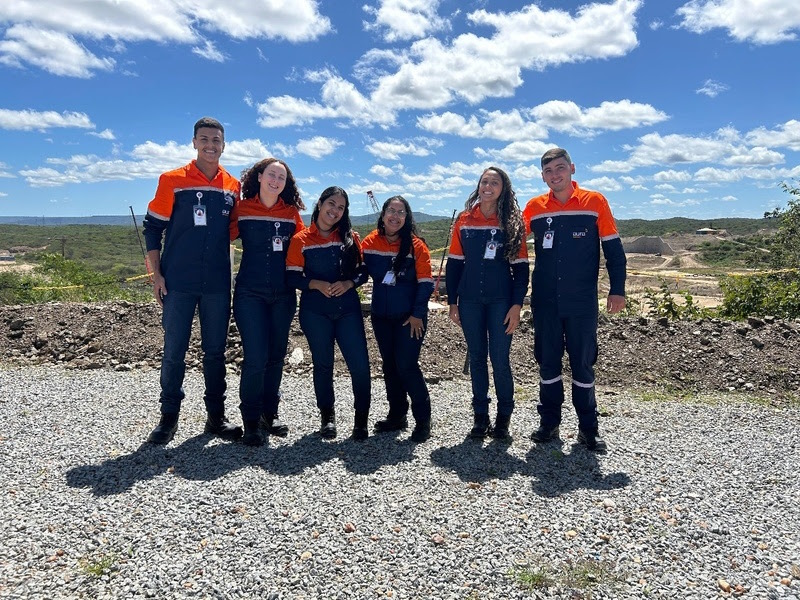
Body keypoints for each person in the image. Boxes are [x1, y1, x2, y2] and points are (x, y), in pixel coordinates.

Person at [143, 116, 242, 444]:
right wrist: (155, 275)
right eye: (204, 139)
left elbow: (235, 231)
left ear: (224, 145)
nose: (210, 145)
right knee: (174, 350)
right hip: (178, 281)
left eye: (216, 140)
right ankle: (168, 417)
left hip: (216, 282)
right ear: (194, 142)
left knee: (215, 352)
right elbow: (153, 228)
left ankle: (216, 417)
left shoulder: (232, 185)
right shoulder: (172, 179)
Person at [523, 148, 627, 453]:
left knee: (582, 365)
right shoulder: (534, 207)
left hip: (581, 302)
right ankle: (549, 425)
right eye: (548, 171)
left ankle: (588, 429)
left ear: (572, 169)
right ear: (542, 176)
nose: (555, 175)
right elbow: (511, 239)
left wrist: (617, 289)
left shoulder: (595, 202)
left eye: (560, 169)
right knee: (548, 363)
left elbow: (613, 250)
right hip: (544, 301)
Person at [446, 166, 529, 441]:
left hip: (501, 302)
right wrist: (452, 302)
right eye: (484, 181)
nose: (488, 186)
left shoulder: (513, 221)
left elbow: (521, 269)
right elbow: (456, 264)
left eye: (495, 182)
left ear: (503, 188)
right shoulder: (464, 219)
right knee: (478, 358)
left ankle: (503, 419)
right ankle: (480, 418)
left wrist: (516, 305)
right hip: (469, 301)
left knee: (500, 360)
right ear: (478, 186)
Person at [230, 158, 306, 446]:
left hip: (283, 294)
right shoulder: (242, 208)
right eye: (271, 174)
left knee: (275, 357)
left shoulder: (291, 213)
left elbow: (305, 242)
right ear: (259, 177)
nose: (276, 180)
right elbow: (217, 236)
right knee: (256, 357)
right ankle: (250, 421)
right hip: (250, 293)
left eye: (281, 177)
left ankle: (269, 414)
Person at [286, 186, 371, 440]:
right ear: (320, 204)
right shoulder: (300, 240)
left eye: (341, 207)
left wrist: (349, 283)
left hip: (348, 311)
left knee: (360, 365)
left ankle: (361, 421)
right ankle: (327, 418)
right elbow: (291, 276)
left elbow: (362, 273)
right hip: (315, 313)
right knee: (323, 365)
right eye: (331, 204)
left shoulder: (349, 238)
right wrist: (316, 284)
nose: (335, 210)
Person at [362, 196, 434, 442]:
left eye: (400, 212)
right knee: (390, 366)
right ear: (383, 215)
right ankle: (397, 415)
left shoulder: (417, 247)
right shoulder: (370, 242)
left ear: (407, 217)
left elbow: (426, 284)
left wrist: (417, 314)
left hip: (409, 318)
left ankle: (423, 419)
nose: (395, 216)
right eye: (391, 211)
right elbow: (359, 272)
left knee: (406, 366)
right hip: (381, 317)